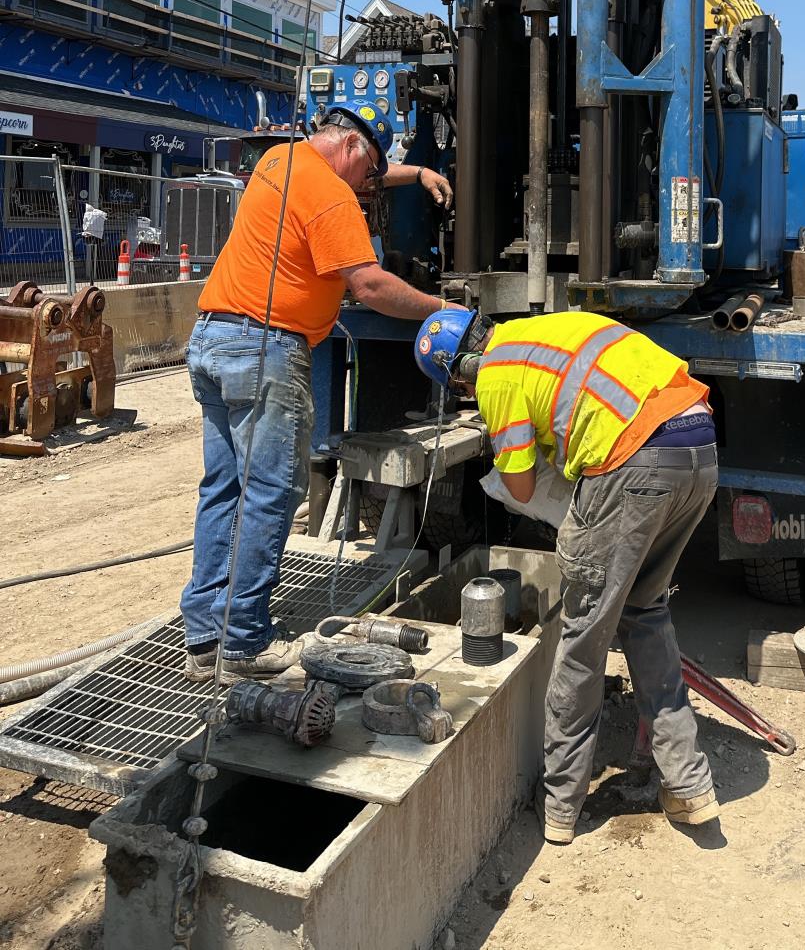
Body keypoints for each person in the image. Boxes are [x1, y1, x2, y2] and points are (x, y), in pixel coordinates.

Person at [414, 307, 720, 843]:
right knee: (645, 613)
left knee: (584, 639)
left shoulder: (496, 373)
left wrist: (522, 457)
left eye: (461, 383)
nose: (468, 390)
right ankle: (689, 784)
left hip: (633, 462)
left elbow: (524, 489)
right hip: (699, 447)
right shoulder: (551, 328)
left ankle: (560, 806)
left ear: (462, 368)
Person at [181, 104, 452, 684]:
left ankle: (204, 634)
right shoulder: (332, 196)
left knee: (224, 488)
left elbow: (362, 170)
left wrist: (419, 174)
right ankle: (244, 641)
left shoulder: (279, 160)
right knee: (271, 493)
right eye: (369, 172)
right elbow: (372, 285)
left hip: (213, 338)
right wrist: (443, 309)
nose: (368, 187)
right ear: (353, 150)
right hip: (265, 349)